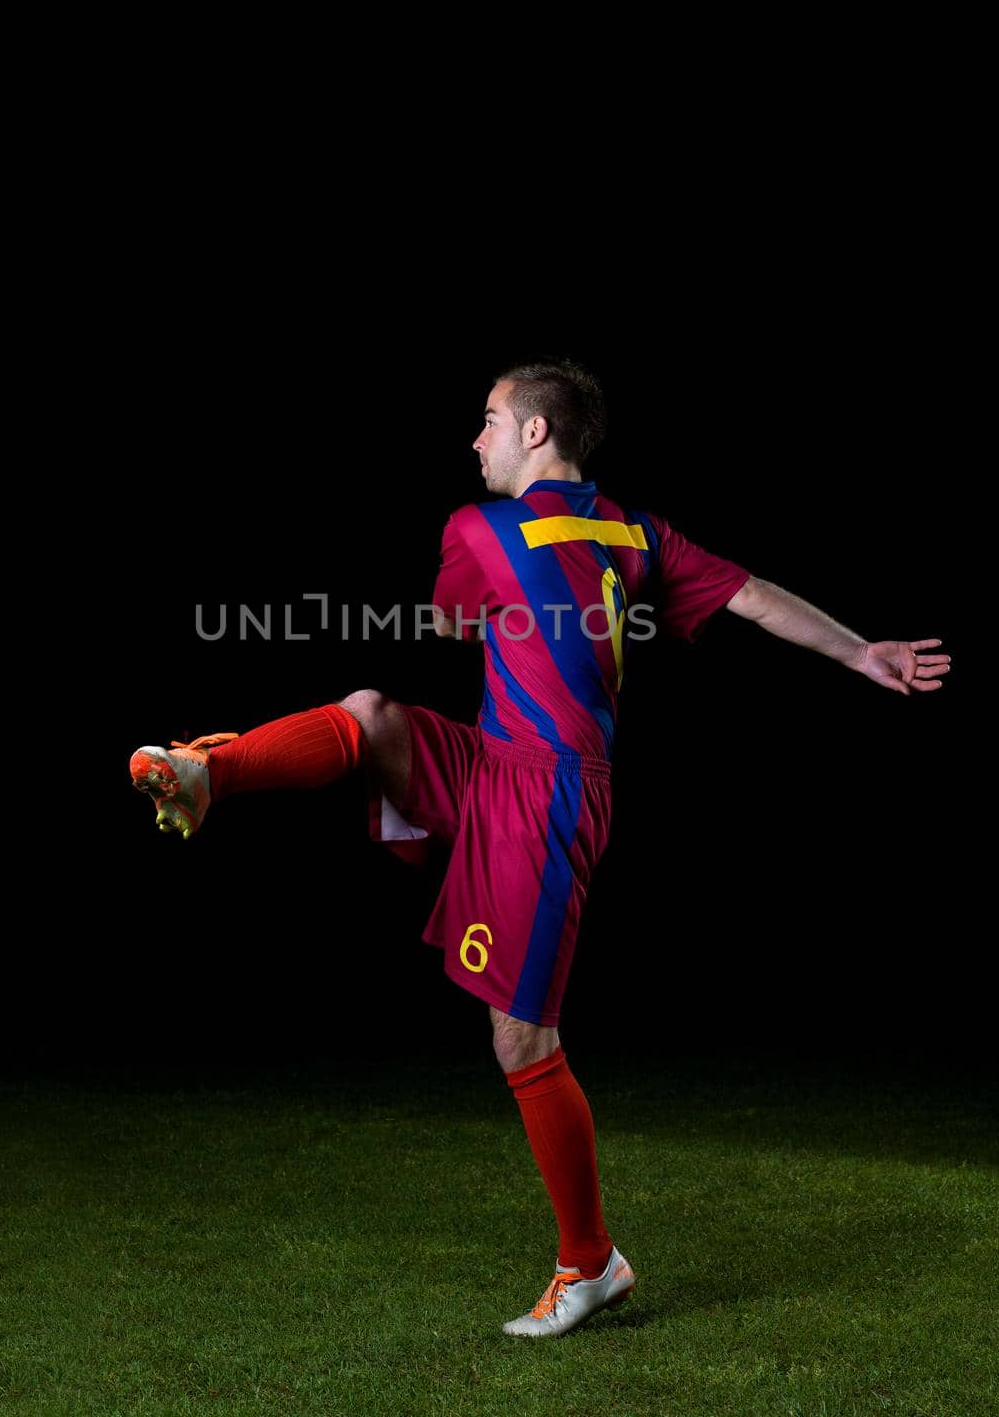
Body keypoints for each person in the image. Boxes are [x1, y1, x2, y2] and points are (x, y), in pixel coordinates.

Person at [128, 359, 951, 1338]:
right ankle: (206, 774)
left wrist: (492, 603)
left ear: (531, 434)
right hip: (497, 763)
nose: (473, 438)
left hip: (549, 796)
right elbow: (753, 595)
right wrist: (863, 651)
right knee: (371, 713)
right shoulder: (630, 531)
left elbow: (447, 618)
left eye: (486, 420)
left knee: (521, 1038)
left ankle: (590, 1263)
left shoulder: (479, 528)